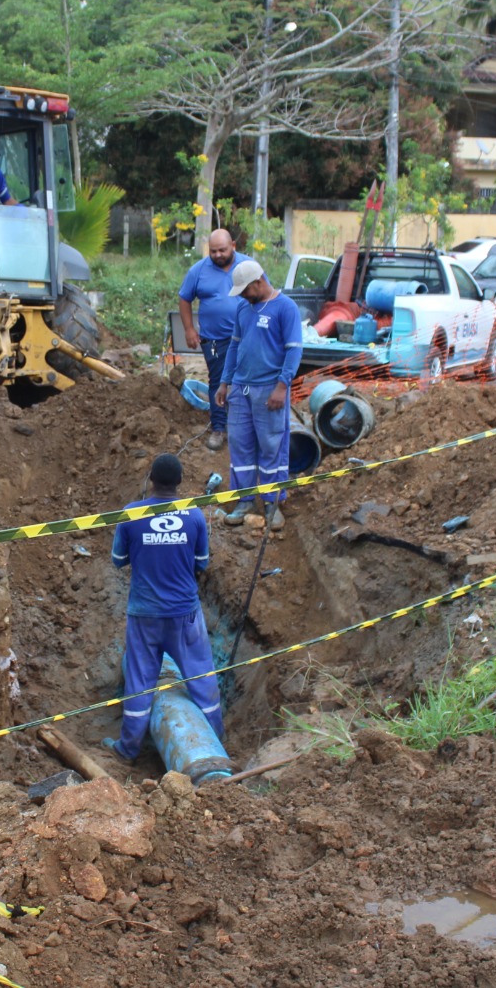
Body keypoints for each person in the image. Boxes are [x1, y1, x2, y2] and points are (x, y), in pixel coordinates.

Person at [103, 453, 224, 762]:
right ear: (179, 482)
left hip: (144, 614)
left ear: (151, 480)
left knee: (140, 681)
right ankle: (217, 741)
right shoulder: (194, 514)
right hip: (184, 613)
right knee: (201, 676)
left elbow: (118, 561)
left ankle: (128, 748)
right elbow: (202, 563)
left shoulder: (131, 514)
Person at [216, 260, 302, 532]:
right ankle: (244, 500)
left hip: (269, 390)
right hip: (241, 388)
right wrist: (224, 382)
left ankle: (271, 502)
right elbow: (234, 347)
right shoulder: (244, 307)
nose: (242, 296)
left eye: (245, 290)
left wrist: (282, 386)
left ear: (258, 282)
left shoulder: (285, 308)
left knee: (271, 445)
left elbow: (294, 350)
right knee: (241, 444)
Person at [177, 229, 252, 450]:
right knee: (218, 382)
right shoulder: (198, 271)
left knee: (247, 381)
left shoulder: (247, 267)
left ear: (234, 246)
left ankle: (246, 428)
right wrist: (189, 329)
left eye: (222, 250)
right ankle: (219, 428)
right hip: (214, 340)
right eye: (213, 251)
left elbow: (265, 294)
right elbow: (184, 299)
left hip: (246, 337)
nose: (218, 255)